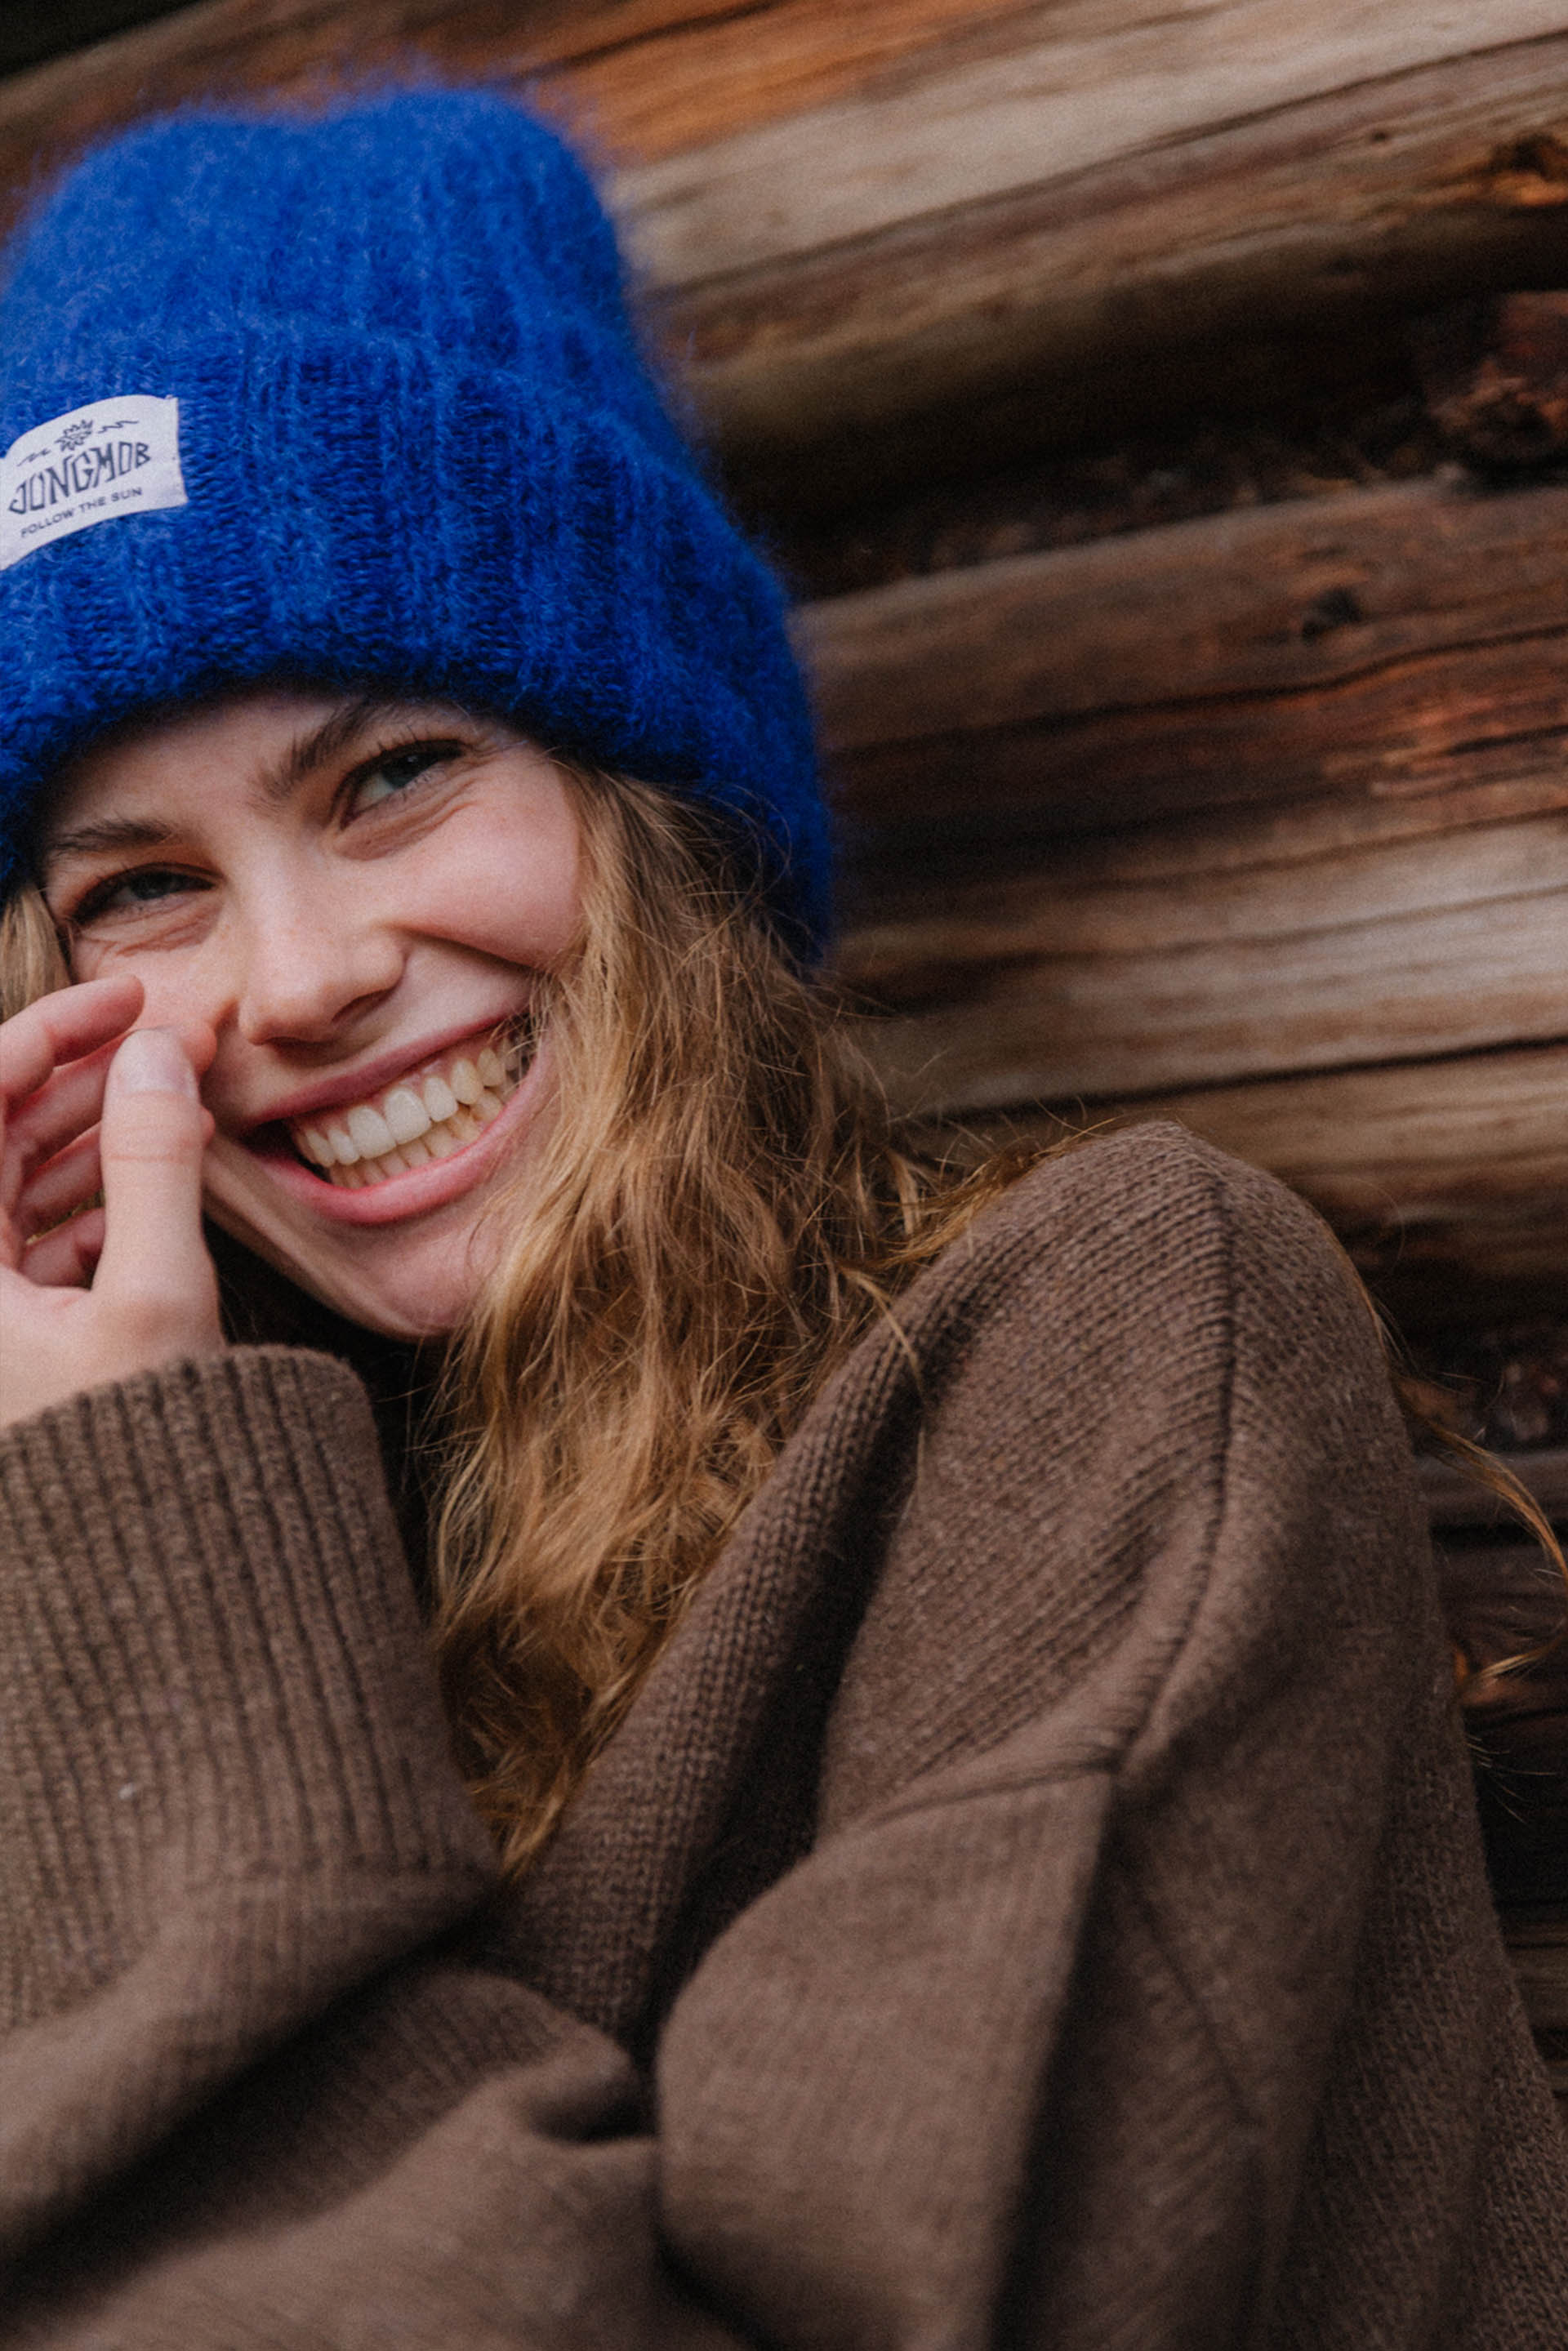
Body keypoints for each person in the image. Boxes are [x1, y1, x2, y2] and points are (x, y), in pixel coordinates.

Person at [0, 87, 1562, 2349]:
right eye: (146, 888)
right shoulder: (131, 1508)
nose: (302, 977)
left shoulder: (1113, 1337)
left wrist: (152, 1574)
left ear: (658, 808)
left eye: (397, 774)